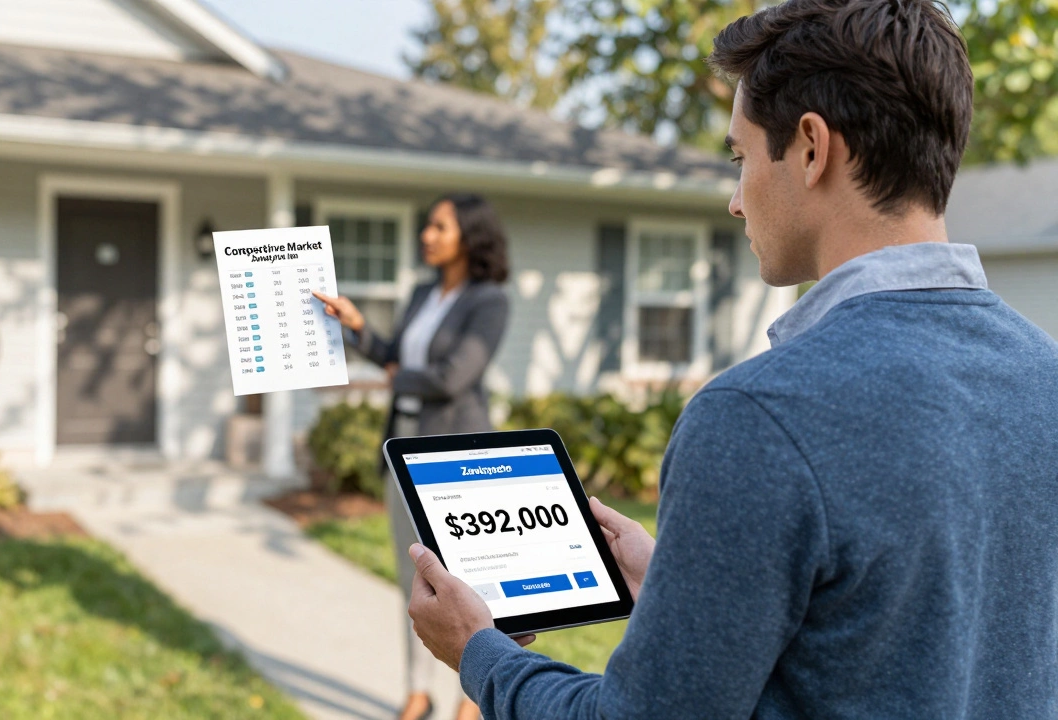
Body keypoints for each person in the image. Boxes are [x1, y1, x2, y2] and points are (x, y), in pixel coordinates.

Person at [404, 1, 1058, 718]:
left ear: (811, 147)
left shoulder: (758, 417)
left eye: (741, 158)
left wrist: (478, 651)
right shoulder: (1042, 374)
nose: (734, 201)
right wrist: (683, 591)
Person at [314, 193, 511, 720]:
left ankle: (472, 698)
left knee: (465, 586)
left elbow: (455, 377)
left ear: (469, 235)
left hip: (454, 461)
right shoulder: (425, 292)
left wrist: (403, 377)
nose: (426, 234)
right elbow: (394, 356)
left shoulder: (489, 300)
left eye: (439, 226)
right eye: (426, 225)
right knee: (413, 586)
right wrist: (357, 326)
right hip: (400, 456)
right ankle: (416, 693)